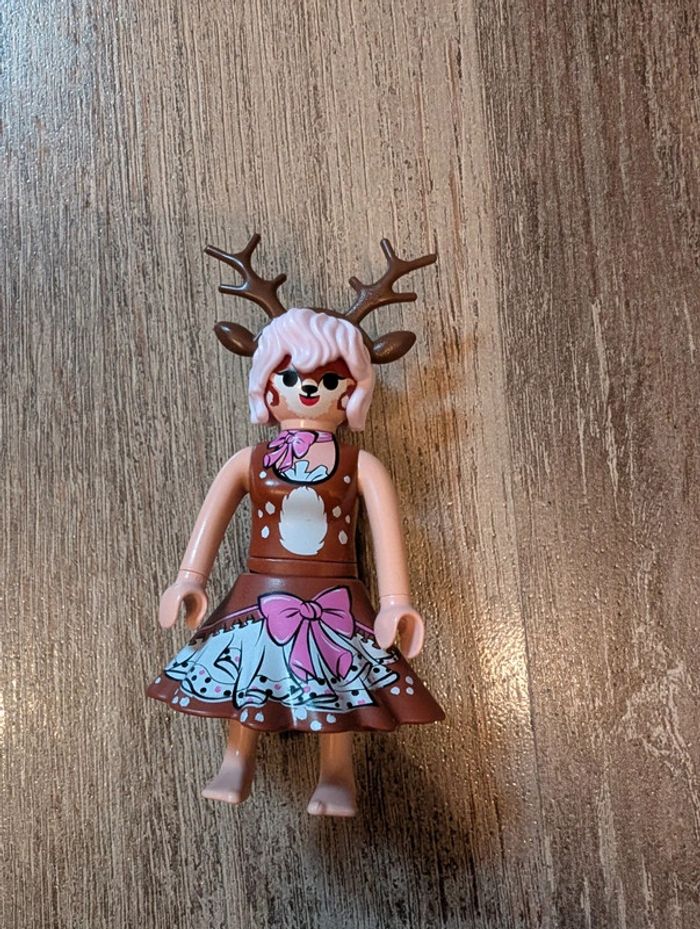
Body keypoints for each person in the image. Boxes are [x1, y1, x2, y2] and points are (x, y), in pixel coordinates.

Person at [147, 237, 445, 817]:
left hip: (337, 593)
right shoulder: (250, 461)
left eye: (329, 381)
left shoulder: (361, 465)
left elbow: (389, 534)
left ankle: (337, 774)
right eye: (290, 377)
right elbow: (211, 519)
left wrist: (396, 603)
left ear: (352, 391)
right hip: (261, 589)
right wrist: (188, 579)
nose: (308, 389)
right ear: (267, 384)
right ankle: (236, 759)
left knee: (339, 684)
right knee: (247, 676)